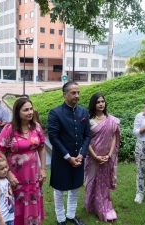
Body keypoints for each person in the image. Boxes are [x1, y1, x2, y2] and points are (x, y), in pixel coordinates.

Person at [0, 97, 46, 225]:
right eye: (26, 110)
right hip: (16, 174)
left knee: (33, 197)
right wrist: (9, 173)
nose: (30, 112)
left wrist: (43, 169)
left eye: (31, 109)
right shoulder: (9, 129)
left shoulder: (36, 127)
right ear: (18, 112)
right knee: (17, 200)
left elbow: (41, 148)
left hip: (34, 173)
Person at [48, 81, 91, 225]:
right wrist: (67, 157)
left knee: (75, 187)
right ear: (64, 94)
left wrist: (82, 154)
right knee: (59, 190)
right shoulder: (55, 113)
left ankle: (71, 214)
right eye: (73, 93)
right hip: (61, 158)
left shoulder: (84, 112)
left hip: (79, 157)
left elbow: (87, 135)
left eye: (78, 92)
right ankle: (61, 218)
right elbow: (53, 138)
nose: (77, 95)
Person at [84, 93, 120, 222]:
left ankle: (103, 206)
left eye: (103, 101)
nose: (101, 104)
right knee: (91, 182)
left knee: (103, 183)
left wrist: (109, 155)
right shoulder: (88, 121)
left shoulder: (111, 120)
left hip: (106, 158)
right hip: (92, 158)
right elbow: (85, 140)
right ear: (93, 104)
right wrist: (95, 156)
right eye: (98, 102)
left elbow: (114, 137)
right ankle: (90, 205)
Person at [0, 154, 15, 225]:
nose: (5, 170)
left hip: (9, 217)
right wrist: (0, 220)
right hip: (0, 221)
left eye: (5, 167)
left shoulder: (6, 180)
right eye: (1, 169)